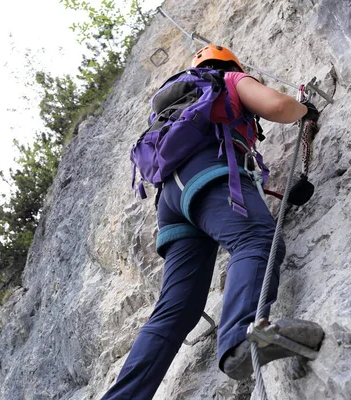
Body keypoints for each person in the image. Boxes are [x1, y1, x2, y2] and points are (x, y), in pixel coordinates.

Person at [102, 45, 324, 399]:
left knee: (177, 310)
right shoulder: (227, 78)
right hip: (207, 173)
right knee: (256, 240)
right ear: (230, 64)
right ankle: (238, 337)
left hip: (172, 200)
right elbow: (278, 106)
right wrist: (306, 110)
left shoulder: (174, 106)